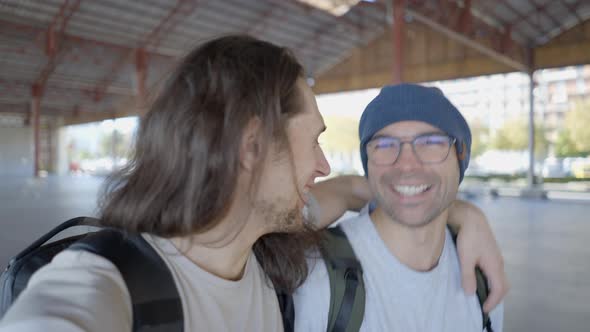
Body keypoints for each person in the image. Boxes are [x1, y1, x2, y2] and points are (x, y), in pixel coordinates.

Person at [0, 36, 505, 332]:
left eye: (432, 143)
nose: (324, 165)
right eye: (315, 142)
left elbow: (359, 191)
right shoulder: (107, 279)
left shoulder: (262, 252)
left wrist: (461, 212)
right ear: (251, 146)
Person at [294, 84, 505, 331]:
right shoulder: (315, 279)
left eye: (430, 142)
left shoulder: (483, 276)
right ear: (368, 164)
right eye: (384, 145)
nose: (406, 165)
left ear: (461, 157)